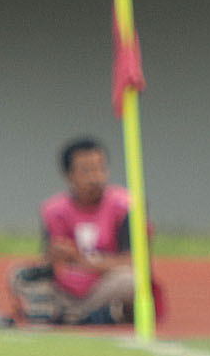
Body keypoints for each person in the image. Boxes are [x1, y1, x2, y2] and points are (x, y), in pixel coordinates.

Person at [9, 137, 152, 325]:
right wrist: (52, 259)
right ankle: (85, 315)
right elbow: (50, 263)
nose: (95, 178)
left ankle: (70, 315)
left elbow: (133, 262)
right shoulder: (53, 210)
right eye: (86, 171)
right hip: (67, 290)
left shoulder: (126, 206)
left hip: (105, 286)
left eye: (100, 169)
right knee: (17, 275)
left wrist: (80, 260)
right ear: (69, 175)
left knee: (132, 280)